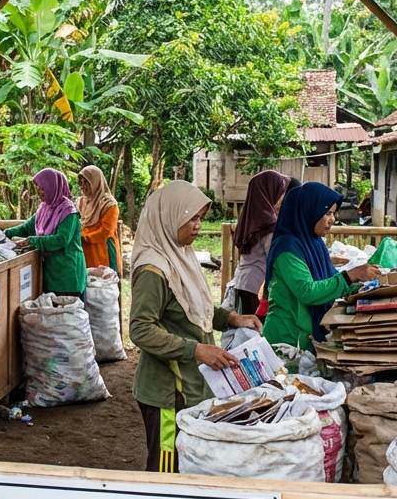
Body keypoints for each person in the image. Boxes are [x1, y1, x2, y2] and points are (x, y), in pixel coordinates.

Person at [129, 181, 262, 473]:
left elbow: (192, 308)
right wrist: (197, 350)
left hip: (190, 386)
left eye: (201, 218)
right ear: (170, 216)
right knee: (166, 470)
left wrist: (231, 318)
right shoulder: (153, 270)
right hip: (167, 392)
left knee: (188, 464)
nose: (198, 225)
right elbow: (139, 330)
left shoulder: (181, 256)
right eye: (192, 217)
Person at [262, 183, 381, 351]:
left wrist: (365, 287)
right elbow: (307, 291)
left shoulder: (314, 243)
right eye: (327, 213)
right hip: (288, 339)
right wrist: (350, 275)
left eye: (333, 213)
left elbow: (331, 279)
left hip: (307, 336)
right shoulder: (287, 249)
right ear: (309, 211)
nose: (332, 219)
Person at [10, 168, 87, 298]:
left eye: (42, 189)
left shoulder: (68, 212)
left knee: (69, 316)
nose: (39, 193)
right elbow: (26, 227)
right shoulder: (45, 208)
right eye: (38, 189)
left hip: (68, 275)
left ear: (53, 187)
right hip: (52, 273)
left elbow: (61, 239)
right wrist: (2, 234)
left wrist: (32, 240)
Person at [230, 171, 297, 315]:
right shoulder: (269, 224)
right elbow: (275, 258)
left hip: (243, 283)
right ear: (269, 191)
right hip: (257, 288)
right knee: (256, 331)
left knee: (247, 329)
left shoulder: (251, 217)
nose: (282, 198)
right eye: (280, 191)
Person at [76, 164, 121, 276]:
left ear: (95, 182)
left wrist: (84, 237)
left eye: (87, 182)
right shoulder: (82, 202)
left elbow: (106, 231)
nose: (83, 186)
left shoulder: (109, 204)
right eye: (81, 183)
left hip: (102, 250)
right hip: (84, 250)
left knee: (105, 284)